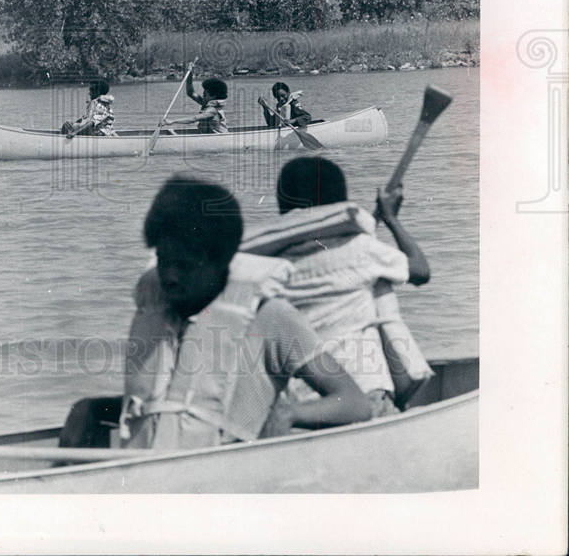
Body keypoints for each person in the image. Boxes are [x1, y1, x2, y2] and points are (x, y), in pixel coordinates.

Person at [59, 176, 370, 450]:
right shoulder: (161, 309)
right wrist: (94, 409)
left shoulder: (270, 317)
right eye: (164, 261)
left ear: (221, 261)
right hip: (152, 476)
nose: (170, 276)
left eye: (184, 265)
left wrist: (292, 413)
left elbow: (354, 403)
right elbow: (165, 410)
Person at [242, 156, 433, 418]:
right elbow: (421, 271)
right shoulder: (361, 251)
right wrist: (391, 219)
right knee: (379, 286)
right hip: (367, 394)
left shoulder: (271, 267)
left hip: (305, 403)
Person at [162, 74, 229, 134]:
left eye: (206, 93)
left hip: (217, 138)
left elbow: (194, 119)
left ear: (213, 96)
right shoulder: (205, 103)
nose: (203, 93)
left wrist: (172, 121)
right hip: (208, 138)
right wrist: (190, 74)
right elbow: (191, 93)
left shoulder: (212, 110)